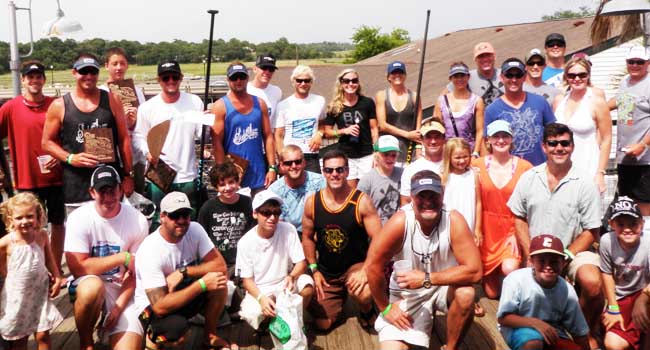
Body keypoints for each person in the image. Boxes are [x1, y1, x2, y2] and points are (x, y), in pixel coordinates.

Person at [508, 123, 603, 348]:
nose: (559, 148)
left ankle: (583, 328)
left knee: (592, 282)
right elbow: (518, 217)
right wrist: (529, 252)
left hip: (574, 250)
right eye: (553, 143)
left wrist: (566, 255)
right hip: (537, 251)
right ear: (544, 147)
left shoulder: (585, 182)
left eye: (564, 143)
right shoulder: (529, 177)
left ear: (572, 146)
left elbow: (592, 231)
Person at [365, 170, 482, 350]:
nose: (428, 201)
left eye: (433, 195)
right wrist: (385, 308)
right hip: (408, 293)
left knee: (466, 294)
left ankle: (451, 347)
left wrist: (426, 278)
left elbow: (475, 271)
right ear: (411, 196)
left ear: (442, 194)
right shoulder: (400, 222)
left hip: (443, 287)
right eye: (422, 195)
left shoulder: (454, 219)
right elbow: (373, 266)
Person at [134, 192, 236, 349]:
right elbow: (159, 306)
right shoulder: (150, 250)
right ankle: (151, 338)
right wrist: (201, 285)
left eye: (185, 214)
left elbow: (220, 266)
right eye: (175, 215)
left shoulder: (195, 229)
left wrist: (183, 271)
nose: (181, 220)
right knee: (178, 334)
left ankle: (209, 336)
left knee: (219, 281)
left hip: (181, 293)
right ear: (162, 217)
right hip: (153, 309)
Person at [64, 165, 147, 350]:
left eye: (112, 190)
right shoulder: (78, 218)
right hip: (89, 284)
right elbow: (77, 268)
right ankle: (86, 342)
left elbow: (135, 273)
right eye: (102, 191)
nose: (108, 198)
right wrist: (121, 258)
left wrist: (118, 307)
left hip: (121, 290)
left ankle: (109, 328)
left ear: (120, 189)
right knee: (93, 287)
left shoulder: (138, 220)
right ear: (92, 192)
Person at [42, 53, 134, 212]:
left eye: (93, 72)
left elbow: (123, 139)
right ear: (74, 73)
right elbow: (46, 142)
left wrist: (127, 175)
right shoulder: (60, 105)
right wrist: (70, 158)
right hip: (76, 186)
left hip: (109, 185)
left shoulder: (112, 100)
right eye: (84, 72)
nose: (89, 76)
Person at [302, 149, 382, 331]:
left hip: (355, 266)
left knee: (364, 292)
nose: (334, 174)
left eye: (339, 170)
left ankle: (366, 309)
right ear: (323, 172)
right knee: (322, 325)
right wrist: (314, 269)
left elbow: (379, 239)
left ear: (347, 171)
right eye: (329, 170)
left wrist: (366, 269)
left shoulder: (361, 201)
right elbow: (307, 238)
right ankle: (337, 299)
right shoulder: (312, 202)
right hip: (328, 270)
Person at [0, 61, 65, 268]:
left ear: (44, 80)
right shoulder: (10, 107)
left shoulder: (56, 104)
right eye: (30, 77)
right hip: (26, 178)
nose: (34, 81)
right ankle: (33, 265)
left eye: (38, 77)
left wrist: (62, 154)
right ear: (23, 80)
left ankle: (54, 267)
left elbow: (70, 136)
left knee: (57, 223)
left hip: (55, 177)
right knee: (28, 224)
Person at [133, 60, 204, 229]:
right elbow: (138, 137)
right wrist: (148, 152)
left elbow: (201, 134)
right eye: (166, 78)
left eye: (175, 77)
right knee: (159, 219)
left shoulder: (195, 102)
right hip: (158, 174)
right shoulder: (147, 107)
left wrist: (207, 120)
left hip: (187, 175)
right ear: (159, 80)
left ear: (181, 78)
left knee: (188, 220)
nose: (171, 81)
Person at [472, 120, 532, 299]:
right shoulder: (476, 166)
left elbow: (529, 205)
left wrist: (517, 234)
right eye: (496, 136)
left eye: (505, 136)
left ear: (511, 139)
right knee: (491, 293)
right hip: (486, 229)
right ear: (488, 140)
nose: (500, 140)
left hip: (511, 228)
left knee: (510, 268)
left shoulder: (525, 167)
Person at [497, 234, 590, 350]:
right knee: (533, 343)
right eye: (541, 261)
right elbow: (503, 318)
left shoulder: (567, 289)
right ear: (531, 261)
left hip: (552, 333)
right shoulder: (515, 280)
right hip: (519, 329)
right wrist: (535, 323)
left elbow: (579, 331)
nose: (548, 266)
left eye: (554, 262)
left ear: (563, 263)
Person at [236, 190, 314, 323]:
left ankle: (295, 322)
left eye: (276, 213)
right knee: (251, 314)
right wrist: (261, 298)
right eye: (266, 213)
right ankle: (271, 323)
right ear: (255, 214)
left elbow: (301, 263)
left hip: (285, 283)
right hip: (261, 288)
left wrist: (292, 276)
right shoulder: (245, 242)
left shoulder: (288, 229)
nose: (272, 217)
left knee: (307, 284)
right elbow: (247, 281)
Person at [0, 192, 63, 350]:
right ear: (11, 220)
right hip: (18, 297)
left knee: (43, 335)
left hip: (39, 293)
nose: (25, 221)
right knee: (20, 338)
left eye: (29, 216)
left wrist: (57, 276)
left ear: (37, 216)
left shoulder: (41, 235)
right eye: (19, 218)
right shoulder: (8, 241)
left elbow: (49, 259)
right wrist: (6, 274)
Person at [211, 62, 276, 195]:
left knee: (260, 213)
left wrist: (272, 167)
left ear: (247, 78)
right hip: (233, 178)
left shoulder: (260, 103)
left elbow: (268, 136)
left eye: (242, 77)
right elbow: (217, 142)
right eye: (234, 78)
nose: (238, 81)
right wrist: (223, 175)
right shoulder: (220, 106)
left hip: (259, 175)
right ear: (228, 80)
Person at [553, 56, 612, 193]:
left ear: (588, 76)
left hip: (588, 170)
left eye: (582, 75)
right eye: (572, 75)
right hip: (561, 173)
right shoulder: (559, 101)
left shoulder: (596, 101)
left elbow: (606, 139)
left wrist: (600, 173)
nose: (577, 79)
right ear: (566, 77)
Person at [484, 58, 556, 166]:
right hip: (508, 171)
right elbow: (487, 144)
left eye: (518, 75)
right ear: (501, 77)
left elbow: (554, 134)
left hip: (541, 167)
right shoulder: (491, 110)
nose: (514, 79)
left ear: (524, 77)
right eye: (509, 75)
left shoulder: (540, 102)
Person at [600, 197, 649, 350]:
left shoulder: (648, 242)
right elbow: (606, 273)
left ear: (642, 224)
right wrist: (613, 307)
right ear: (611, 224)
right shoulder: (607, 241)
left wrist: (643, 299)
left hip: (645, 293)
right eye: (621, 224)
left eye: (633, 223)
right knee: (612, 344)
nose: (627, 229)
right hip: (622, 297)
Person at [608, 45, 650, 219]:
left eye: (639, 62)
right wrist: (594, 109)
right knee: (627, 205)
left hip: (645, 160)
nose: (634, 65)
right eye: (631, 61)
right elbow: (618, 102)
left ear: (648, 63)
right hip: (625, 158)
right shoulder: (625, 81)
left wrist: (643, 145)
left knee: (644, 206)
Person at [101, 47, 147, 194]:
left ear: (127, 65)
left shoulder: (137, 91)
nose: (119, 67)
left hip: (135, 158)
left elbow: (144, 124)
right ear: (106, 66)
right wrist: (120, 120)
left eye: (122, 63)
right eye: (114, 64)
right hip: (112, 158)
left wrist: (133, 124)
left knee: (138, 198)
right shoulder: (101, 92)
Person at [324, 68, 378, 186]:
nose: (350, 84)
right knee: (350, 192)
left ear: (358, 83)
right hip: (347, 155)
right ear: (341, 83)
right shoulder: (335, 106)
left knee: (367, 190)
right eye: (347, 81)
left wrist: (376, 152)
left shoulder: (367, 102)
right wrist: (344, 131)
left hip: (367, 154)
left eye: (354, 81)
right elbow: (327, 132)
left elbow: (374, 128)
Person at [197, 162, 254, 272]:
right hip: (218, 262)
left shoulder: (247, 203)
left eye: (231, 182)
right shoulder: (208, 207)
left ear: (237, 182)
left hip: (244, 260)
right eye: (222, 184)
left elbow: (253, 231)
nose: (227, 188)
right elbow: (201, 237)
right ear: (215, 187)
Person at [275, 65, 326, 173]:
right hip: (290, 157)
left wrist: (319, 134)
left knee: (314, 189)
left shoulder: (319, 101)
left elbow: (322, 124)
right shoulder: (283, 105)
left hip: (311, 155)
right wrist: (282, 159)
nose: (303, 84)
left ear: (311, 82)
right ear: (293, 82)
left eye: (307, 80)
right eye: (299, 80)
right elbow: (278, 135)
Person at [268, 144, 324, 234]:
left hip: (316, 232)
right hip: (287, 235)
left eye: (297, 162)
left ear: (304, 163)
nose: (293, 166)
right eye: (288, 163)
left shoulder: (320, 183)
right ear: (281, 166)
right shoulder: (274, 191)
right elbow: (277, 224)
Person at [375, 61, 422, 165]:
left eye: (400, 73)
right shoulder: (381, 95)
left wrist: (419, 147)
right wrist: (407, 134)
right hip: (388, 151)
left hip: (410, 152)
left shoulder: (415, 96)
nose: (397, 75)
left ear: (405, 76)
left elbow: (418, 129)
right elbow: (382, 125)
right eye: (394, 73)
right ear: (388, 77)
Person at [434, 62, 485, 157]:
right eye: (456, 76)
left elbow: (480, 130)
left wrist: (476, 152)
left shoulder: (477, 101)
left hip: (468, 152)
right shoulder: (441, 101)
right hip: (447, 152)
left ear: (468, 77)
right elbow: (436, 129)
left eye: (462, 76)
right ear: (450, 79)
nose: (459, 79)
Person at [357, 135, 404, 225]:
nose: (390, 158)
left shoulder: (403, 174)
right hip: (377, 230)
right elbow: (360, 210)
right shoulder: (367, 180)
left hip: (398, 228)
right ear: (376, 155)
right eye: (385, 154)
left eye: (393, 155)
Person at [399, 120, 445, 206]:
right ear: (421, 140)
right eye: (428, 137)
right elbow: (405, 201)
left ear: (444, 139)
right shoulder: (411, 169)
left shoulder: (455, 165)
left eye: (437, 137)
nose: (433, 141)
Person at [459, 42, 504, 107]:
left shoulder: (506, 74)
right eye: (481, 56)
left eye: (488, 55)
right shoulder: (468, 77)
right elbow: (444, 97)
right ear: (475, 60)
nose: (485, 59)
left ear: (494, 57)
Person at [247, 54, 282, 131]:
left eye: (271, 69)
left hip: (268, 139)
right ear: (255, 69)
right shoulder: (244, 89)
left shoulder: (277, 91)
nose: (267, 72)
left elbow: (276, 121)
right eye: (264, 68)